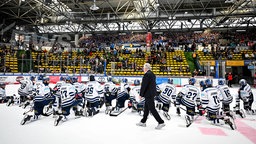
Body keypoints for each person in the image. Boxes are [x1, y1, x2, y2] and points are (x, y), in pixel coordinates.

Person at [136, 63, 165, 130]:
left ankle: (161, 122)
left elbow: (144, 86)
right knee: (146, 108)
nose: (143, 69)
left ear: (146, 68)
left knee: (152, 109)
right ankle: (143, 121)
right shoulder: (152, 74)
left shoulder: (147, 75)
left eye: (143, 68)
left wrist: (141, 94)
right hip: (151, 94)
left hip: (148, 94)